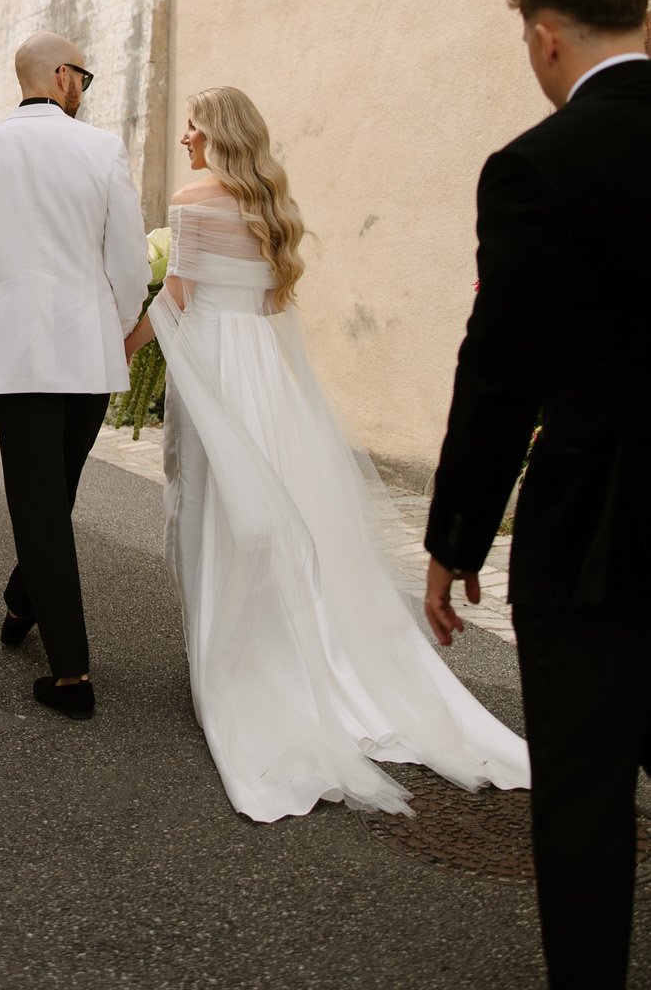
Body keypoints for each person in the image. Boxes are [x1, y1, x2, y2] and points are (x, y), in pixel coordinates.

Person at [134, 83, 528, 822]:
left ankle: (235, 662)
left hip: (217, 370)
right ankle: (303, 649)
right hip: (267, 379)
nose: (184, 135)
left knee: (216, 511)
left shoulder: (192, 200)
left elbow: (177, 297)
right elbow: (269, 307)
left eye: (192, 125)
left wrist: (120, 346)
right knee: (281, 515)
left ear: (216, 134)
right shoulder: (268, 207)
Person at [425, 0, 651, 987]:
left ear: (547, 37)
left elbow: (500, 371)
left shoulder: (539, 165)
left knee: (586, 798)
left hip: (598, 531)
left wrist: (455, 534)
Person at [0, 31, 147, 719]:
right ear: (61, 76)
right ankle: (70, 674)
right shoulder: (101, 149)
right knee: (53, 496)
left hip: (14, 356)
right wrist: (112, 327)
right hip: (87, 351)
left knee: (43, 502)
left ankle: (27, 600)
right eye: (82, 74)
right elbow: (129, 262)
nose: (84, 86)